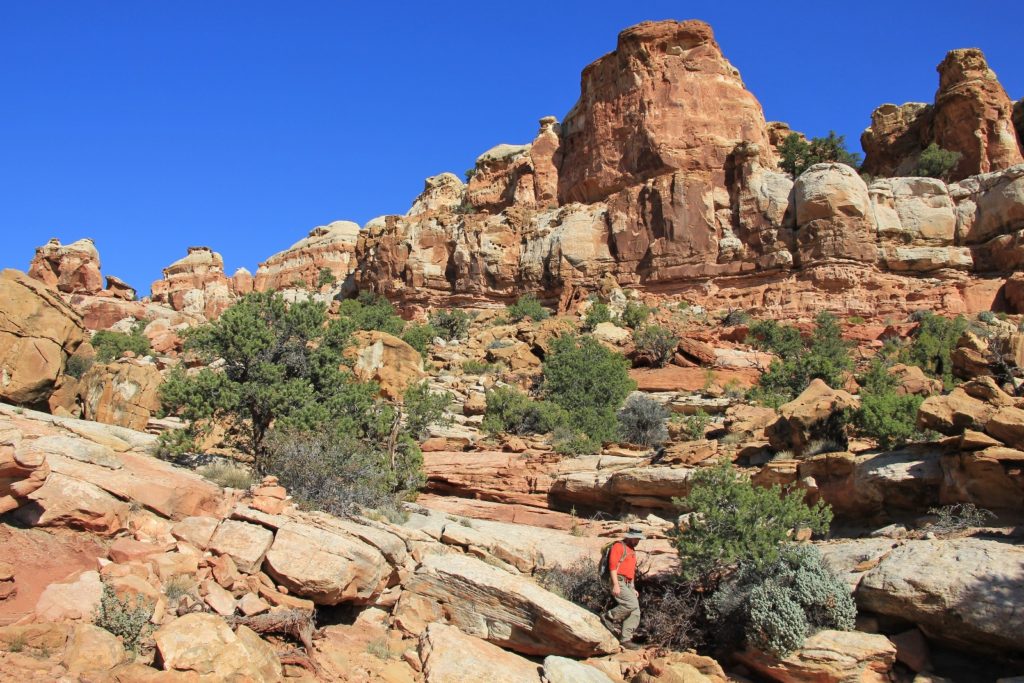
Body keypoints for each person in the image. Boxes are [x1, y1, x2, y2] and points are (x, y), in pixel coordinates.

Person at [602, 527, 643, 649]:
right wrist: (615, 584)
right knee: (630, 604)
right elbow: (612, 566)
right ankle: (608, 616)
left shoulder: (632, 550)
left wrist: (633, 587)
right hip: (618, 580)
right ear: (630, 537)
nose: (638, 541)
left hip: (628, 583)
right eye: (636, 538)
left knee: (635, 611)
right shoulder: (618, 546)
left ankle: (625, 639)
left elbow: (631, 572)